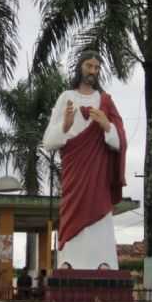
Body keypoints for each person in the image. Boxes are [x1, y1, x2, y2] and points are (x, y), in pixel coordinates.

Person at [43, 50, 127, 270]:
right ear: (80, 67)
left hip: (99, 172)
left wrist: (106, 126)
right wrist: (65, 126)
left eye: (97, 68)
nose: (93, 71)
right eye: (89, 66)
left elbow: (120, 142)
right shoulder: (66, 97)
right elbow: (48, 142)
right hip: (74, 171)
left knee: (100, 215)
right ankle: (70, 263)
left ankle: (104, 263)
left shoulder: (105, 101)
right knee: (71, 213)